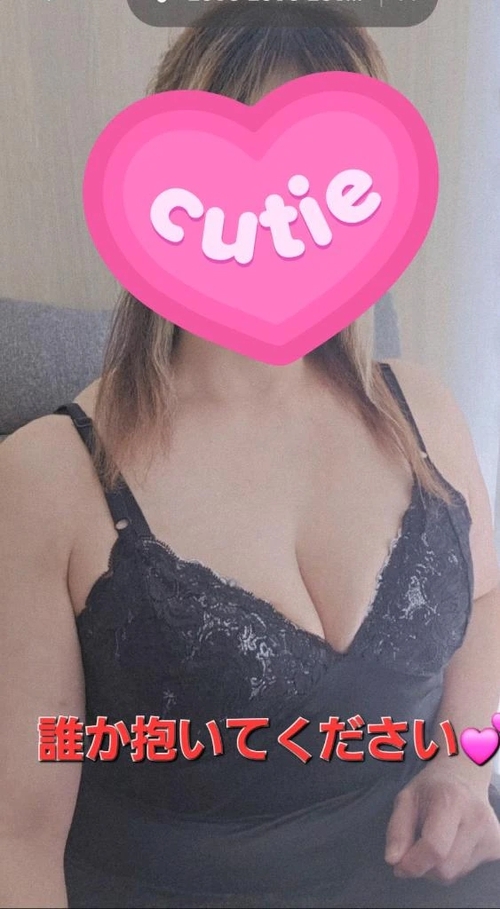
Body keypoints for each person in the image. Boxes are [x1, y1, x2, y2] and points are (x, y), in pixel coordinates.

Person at [1, 3, 500, 907]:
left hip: (429, 874)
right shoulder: (48, 478)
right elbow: (17, 838)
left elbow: (489, 603)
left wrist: (466, 764)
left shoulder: (422, 407)